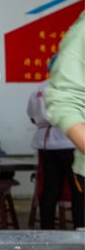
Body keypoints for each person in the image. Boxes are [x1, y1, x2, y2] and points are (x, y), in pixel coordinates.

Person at [45, 12, 85, 229]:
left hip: (62, 145)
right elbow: (64, 100)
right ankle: (47, 225)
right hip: (58, 146)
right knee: (52, 189)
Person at [27, 73, 79, 229]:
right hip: (72, 141)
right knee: (78, 189)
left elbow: (32, 116)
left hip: (47, 144)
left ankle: (46, 228)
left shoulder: (41, 87)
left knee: (50, 188)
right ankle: (80, 228)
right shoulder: (75, 82)